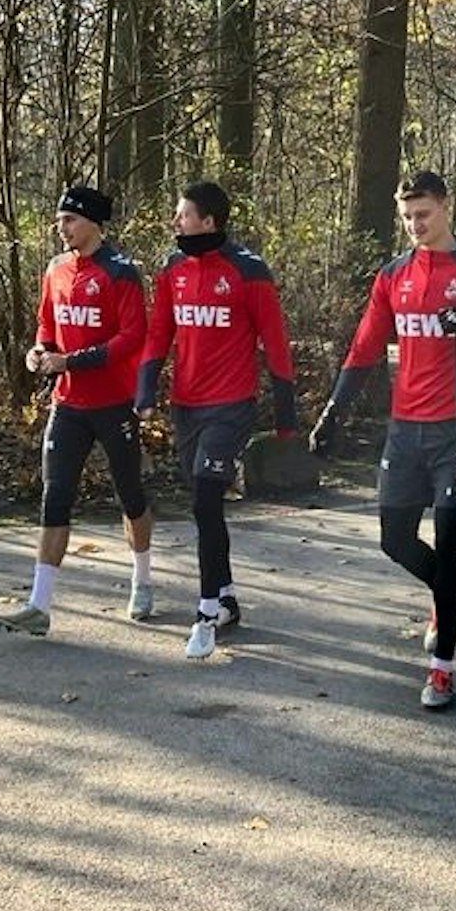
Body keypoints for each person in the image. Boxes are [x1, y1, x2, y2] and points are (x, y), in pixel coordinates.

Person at [308, 171, 456, 710]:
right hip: (405, 429)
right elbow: (365, 347)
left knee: (448, 534)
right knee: (394, 539)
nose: (416, 225)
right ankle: (450, 593)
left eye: (425, 214)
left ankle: (441, 670)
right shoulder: (394, 274)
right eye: (409, 216)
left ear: (446, 207)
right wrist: (332, 413)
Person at [135, 180, 298, 659]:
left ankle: (206, 613)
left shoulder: (249, 271)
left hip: (232, 406)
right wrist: (145, 390)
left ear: (208, 221)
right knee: (205, 506)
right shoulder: (172, 267)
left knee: (207, 500)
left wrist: (286, 414)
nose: (175, 222)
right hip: (186, 406)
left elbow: (276, 340)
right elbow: (158, 332)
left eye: (182, 215)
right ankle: (225, 596)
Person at [0, 185, 155, 637]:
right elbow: (47, 324)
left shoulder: (121, 273)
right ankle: (39, 605)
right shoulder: (55, 269)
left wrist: (73, 361)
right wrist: (39, 352)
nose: (60, 228)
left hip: (113, 402)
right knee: (55, 494)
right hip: (67, 404)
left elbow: (131, 339)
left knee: (130, 494)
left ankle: (142, 579)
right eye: (59, 220)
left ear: (93, 224)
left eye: (69, 220)